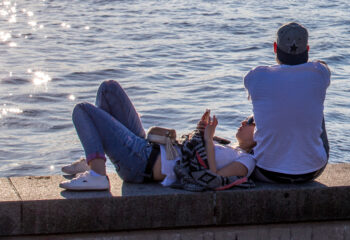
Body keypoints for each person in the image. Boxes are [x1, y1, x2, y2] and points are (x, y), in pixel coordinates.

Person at [60, 80, 257, 191]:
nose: (243, 122)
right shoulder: (230, 148)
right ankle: (93, 158)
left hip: (142, 162)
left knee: (82, 110)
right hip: (146, 147)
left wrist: (206, 139)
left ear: (259, 137)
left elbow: (212, 179)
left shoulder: (246, 161)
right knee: (108, 89)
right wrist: (202, 131)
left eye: (250, 122)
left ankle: (97, 174)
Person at [244, 22, 331, 183]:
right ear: (308, 49)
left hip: (266, 172)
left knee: (256, 117)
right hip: (312, 171)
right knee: (312, 104)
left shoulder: (257, 76)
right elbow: (323, 65)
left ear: (275, 47)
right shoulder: (320, 74)